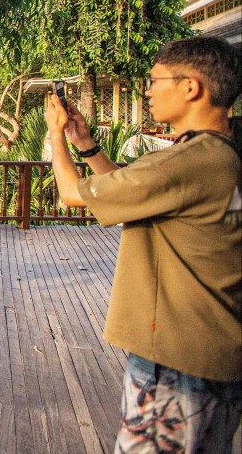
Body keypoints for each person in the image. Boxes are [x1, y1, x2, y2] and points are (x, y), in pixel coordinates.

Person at [45, 36, 241, 452]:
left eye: (156, 81)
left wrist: (56, 136)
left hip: (175, 363)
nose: (148, 91)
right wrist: (87, 145)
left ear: (191, 87)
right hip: (214, 354)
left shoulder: (185, 162)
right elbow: (133, 190)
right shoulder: (221, 157)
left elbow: (72, 192)